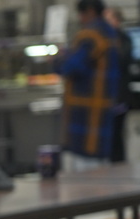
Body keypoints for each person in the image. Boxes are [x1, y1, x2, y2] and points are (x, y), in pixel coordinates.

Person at [53, 0, 121, 171]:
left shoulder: (90, 35)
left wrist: (57, 59)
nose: (80, 19)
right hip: (103, 110)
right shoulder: (111, 34)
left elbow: (71, 67)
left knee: (85, 173)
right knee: (101, 171)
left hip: (86, 116)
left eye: (81, 14)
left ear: (90, 11)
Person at [104, 6, 134, 162]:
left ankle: (119, 164)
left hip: (120, 96)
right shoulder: (103, 39)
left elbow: (122, 60)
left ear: (116, 21)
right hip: (106, 96)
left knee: (117, 134)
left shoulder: (124, 40)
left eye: (108, 19)